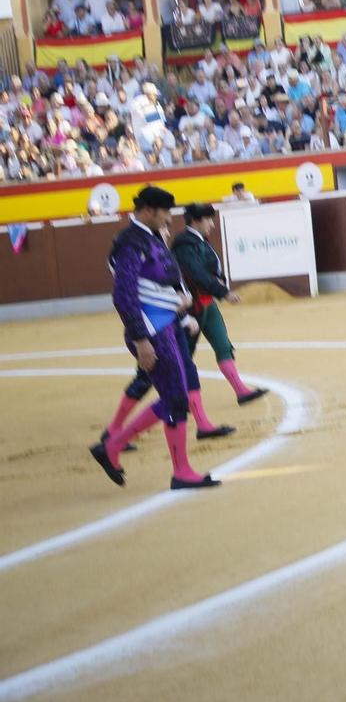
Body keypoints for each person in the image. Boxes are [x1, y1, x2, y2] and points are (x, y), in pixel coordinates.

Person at [89, 185, 222, 489]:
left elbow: (163, 282)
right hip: (150, 330)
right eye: (164, 214)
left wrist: (181, 310)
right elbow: (124, 294)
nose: (167, 220)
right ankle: (171, 468)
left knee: (175, 397)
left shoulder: (148, 237)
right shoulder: (129, 242)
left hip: (165, 325)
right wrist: (140, 339)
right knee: (175, 398)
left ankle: (114, 447)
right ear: (148, 210)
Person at [173, 203, 269, 404]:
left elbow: (211, 270)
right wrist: (223, 291)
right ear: (196, 221)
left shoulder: (199, 241)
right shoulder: (184, 244)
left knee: (223, 346)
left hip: (208, 304)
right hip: (192, 306)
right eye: (208, 220)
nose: (212, 225)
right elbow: (196, 273)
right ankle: (178, 399)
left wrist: (220, 282)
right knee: (184, 356)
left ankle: (241, 391)